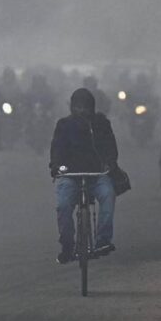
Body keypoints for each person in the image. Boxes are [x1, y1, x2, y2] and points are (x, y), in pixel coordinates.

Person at [50, 88, 119, 264]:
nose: (81, 111)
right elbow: (56, 150)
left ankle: (103, 241)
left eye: (85, 107)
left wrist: (110, 163)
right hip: (70, 175)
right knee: (63, 206)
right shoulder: (63, 125)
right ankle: (67, 246)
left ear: (92, 107)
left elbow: (111, 148)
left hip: (97, 175)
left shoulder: (101, 124)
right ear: (72, 107)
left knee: (108, 195)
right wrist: (56, 167)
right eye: (78, 107)